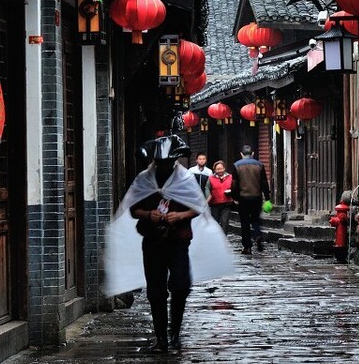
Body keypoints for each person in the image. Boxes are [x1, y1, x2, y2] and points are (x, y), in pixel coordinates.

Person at [104, 135, 233, 352]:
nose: (163, 166)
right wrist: (148, 213)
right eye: (160, 162)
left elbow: (198, 207)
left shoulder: (185, 180)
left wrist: (180, 216)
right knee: (155, 291)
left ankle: (175, 333)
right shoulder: (144, 180)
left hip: (178, 243)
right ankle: (161, 338)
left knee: (181, 286)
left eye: (167, 162)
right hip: (152, 243)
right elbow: (134, 209)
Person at [231, 144, 269, 254]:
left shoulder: (236, 165)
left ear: (241, 154)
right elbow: (264, 183)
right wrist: (267, 198)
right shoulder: (259, 165)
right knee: (256, 219)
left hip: (243, 198)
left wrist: (235, 197)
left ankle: (247, 246)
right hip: (257, 197)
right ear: (252, 154)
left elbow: (234, 184)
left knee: (245, 222)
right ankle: (257, 235)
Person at [208, 160, 234, 233]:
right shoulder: (211, 178)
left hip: (226, 203)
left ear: (224, 168)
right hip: (214, 204)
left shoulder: (230, 177)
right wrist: (208, 198)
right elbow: (207, 188)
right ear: (215, 170)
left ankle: (223, 238)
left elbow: (234, 188)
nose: (220, 170)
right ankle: (216, 238)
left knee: (225, 222)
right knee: (215, 222)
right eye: (218, 169)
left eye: (221, 168)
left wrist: (232, 193)